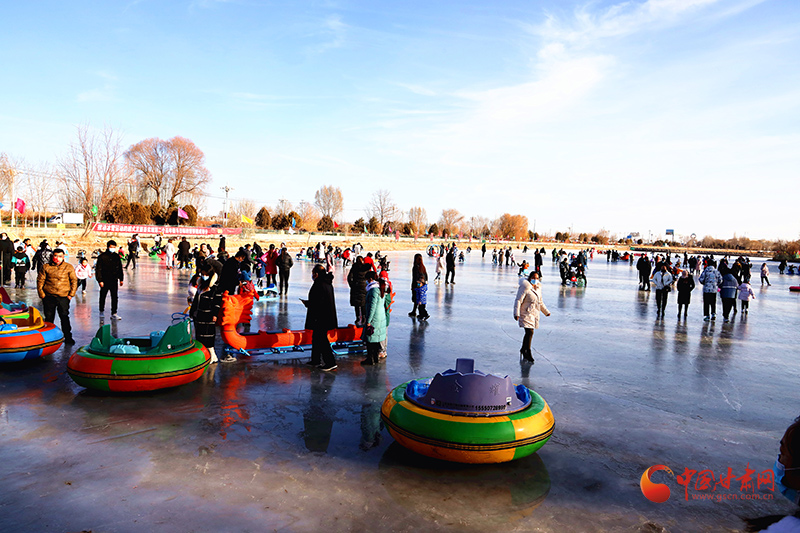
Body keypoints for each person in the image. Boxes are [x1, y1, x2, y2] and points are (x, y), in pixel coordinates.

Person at [36, 248, 77, 344]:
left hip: (63, 297)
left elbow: (74, 281)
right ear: (52, 256)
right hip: (49, 296)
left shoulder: (68, 267)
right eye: (55, 256)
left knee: (64, 317)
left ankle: (68, 337)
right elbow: (40, 281)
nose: (57, 258)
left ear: (63, 257)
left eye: (60, 256)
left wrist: (71, 295)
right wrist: (42, 295)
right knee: (49, 318)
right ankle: (48, 338)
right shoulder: (46, 267)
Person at [304, 264, 338, 371]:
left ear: (316, 274)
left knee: (322, 339)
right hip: (324, 315)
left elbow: (318, 302)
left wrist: (309, 304)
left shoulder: (319, 284)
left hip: (321, 317)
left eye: (313, 273)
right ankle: (316, 359)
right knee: (317, 338)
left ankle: (330, 362)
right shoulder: (326, 283)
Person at [513, 271, 550, 363]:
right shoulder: (525, 287)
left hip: (533, 313)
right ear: (529, 278)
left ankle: (523, 349)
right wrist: (516, 314)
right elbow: (518, 300)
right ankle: (527, 352)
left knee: (529, 332)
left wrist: (546, 312)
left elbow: (540, 302)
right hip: (525, 313)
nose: (535, 280)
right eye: (534, 277)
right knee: (529, 332)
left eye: (537, 278)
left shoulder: (538, 288)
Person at [190, 262, 223, 364]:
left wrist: (214, 314)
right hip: (199, 315)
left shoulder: (215, 287)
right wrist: (193, 311)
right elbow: (196, 300)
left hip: (208, 316)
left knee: (208, 337)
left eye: (206, 275)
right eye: (202, 274)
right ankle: (203, 356)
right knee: (200, 336)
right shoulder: (200, 286)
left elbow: (217, 302)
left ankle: (212, 356)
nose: (204, 276)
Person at [362, 271, 388, 366]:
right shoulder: (380, 288)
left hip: (375, 317)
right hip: (381, 316)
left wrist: (368, 321)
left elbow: (372, 306)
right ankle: (375, 357)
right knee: (376, 338)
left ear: (370, 279)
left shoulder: (373, 290)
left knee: (370, 338)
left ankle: (370, 359)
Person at [95, 240, 124, 320]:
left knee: (114, 297)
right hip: (104, 280)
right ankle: (101, 311)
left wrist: (121, 279)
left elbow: (119, 268)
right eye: (112, 247)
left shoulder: (116, 256)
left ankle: (114, 313)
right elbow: (98, 270)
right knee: (103, 296)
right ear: (108, 247)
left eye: (114, 247)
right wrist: (100, 280)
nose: (113, 249)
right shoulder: (102, 257)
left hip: (114, 279)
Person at [347, 256, 369, 325]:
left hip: (356, 286)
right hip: (364, 286)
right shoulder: (365, 267)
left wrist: (352, 285)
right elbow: (369, 276)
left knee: (357, 304)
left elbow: (349, 277)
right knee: (363, 303)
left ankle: (358, 317)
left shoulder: (354, 267)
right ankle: (364, 317)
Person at [408, 253, 429, 320]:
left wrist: (414, 286)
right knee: (419, 301)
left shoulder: (416, 268)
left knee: (417, 300)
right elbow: (426, 276)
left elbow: (415, 278)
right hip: (422, 287)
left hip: (417, 286)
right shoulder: (423, 267)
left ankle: (422, 314)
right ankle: (416, 312)